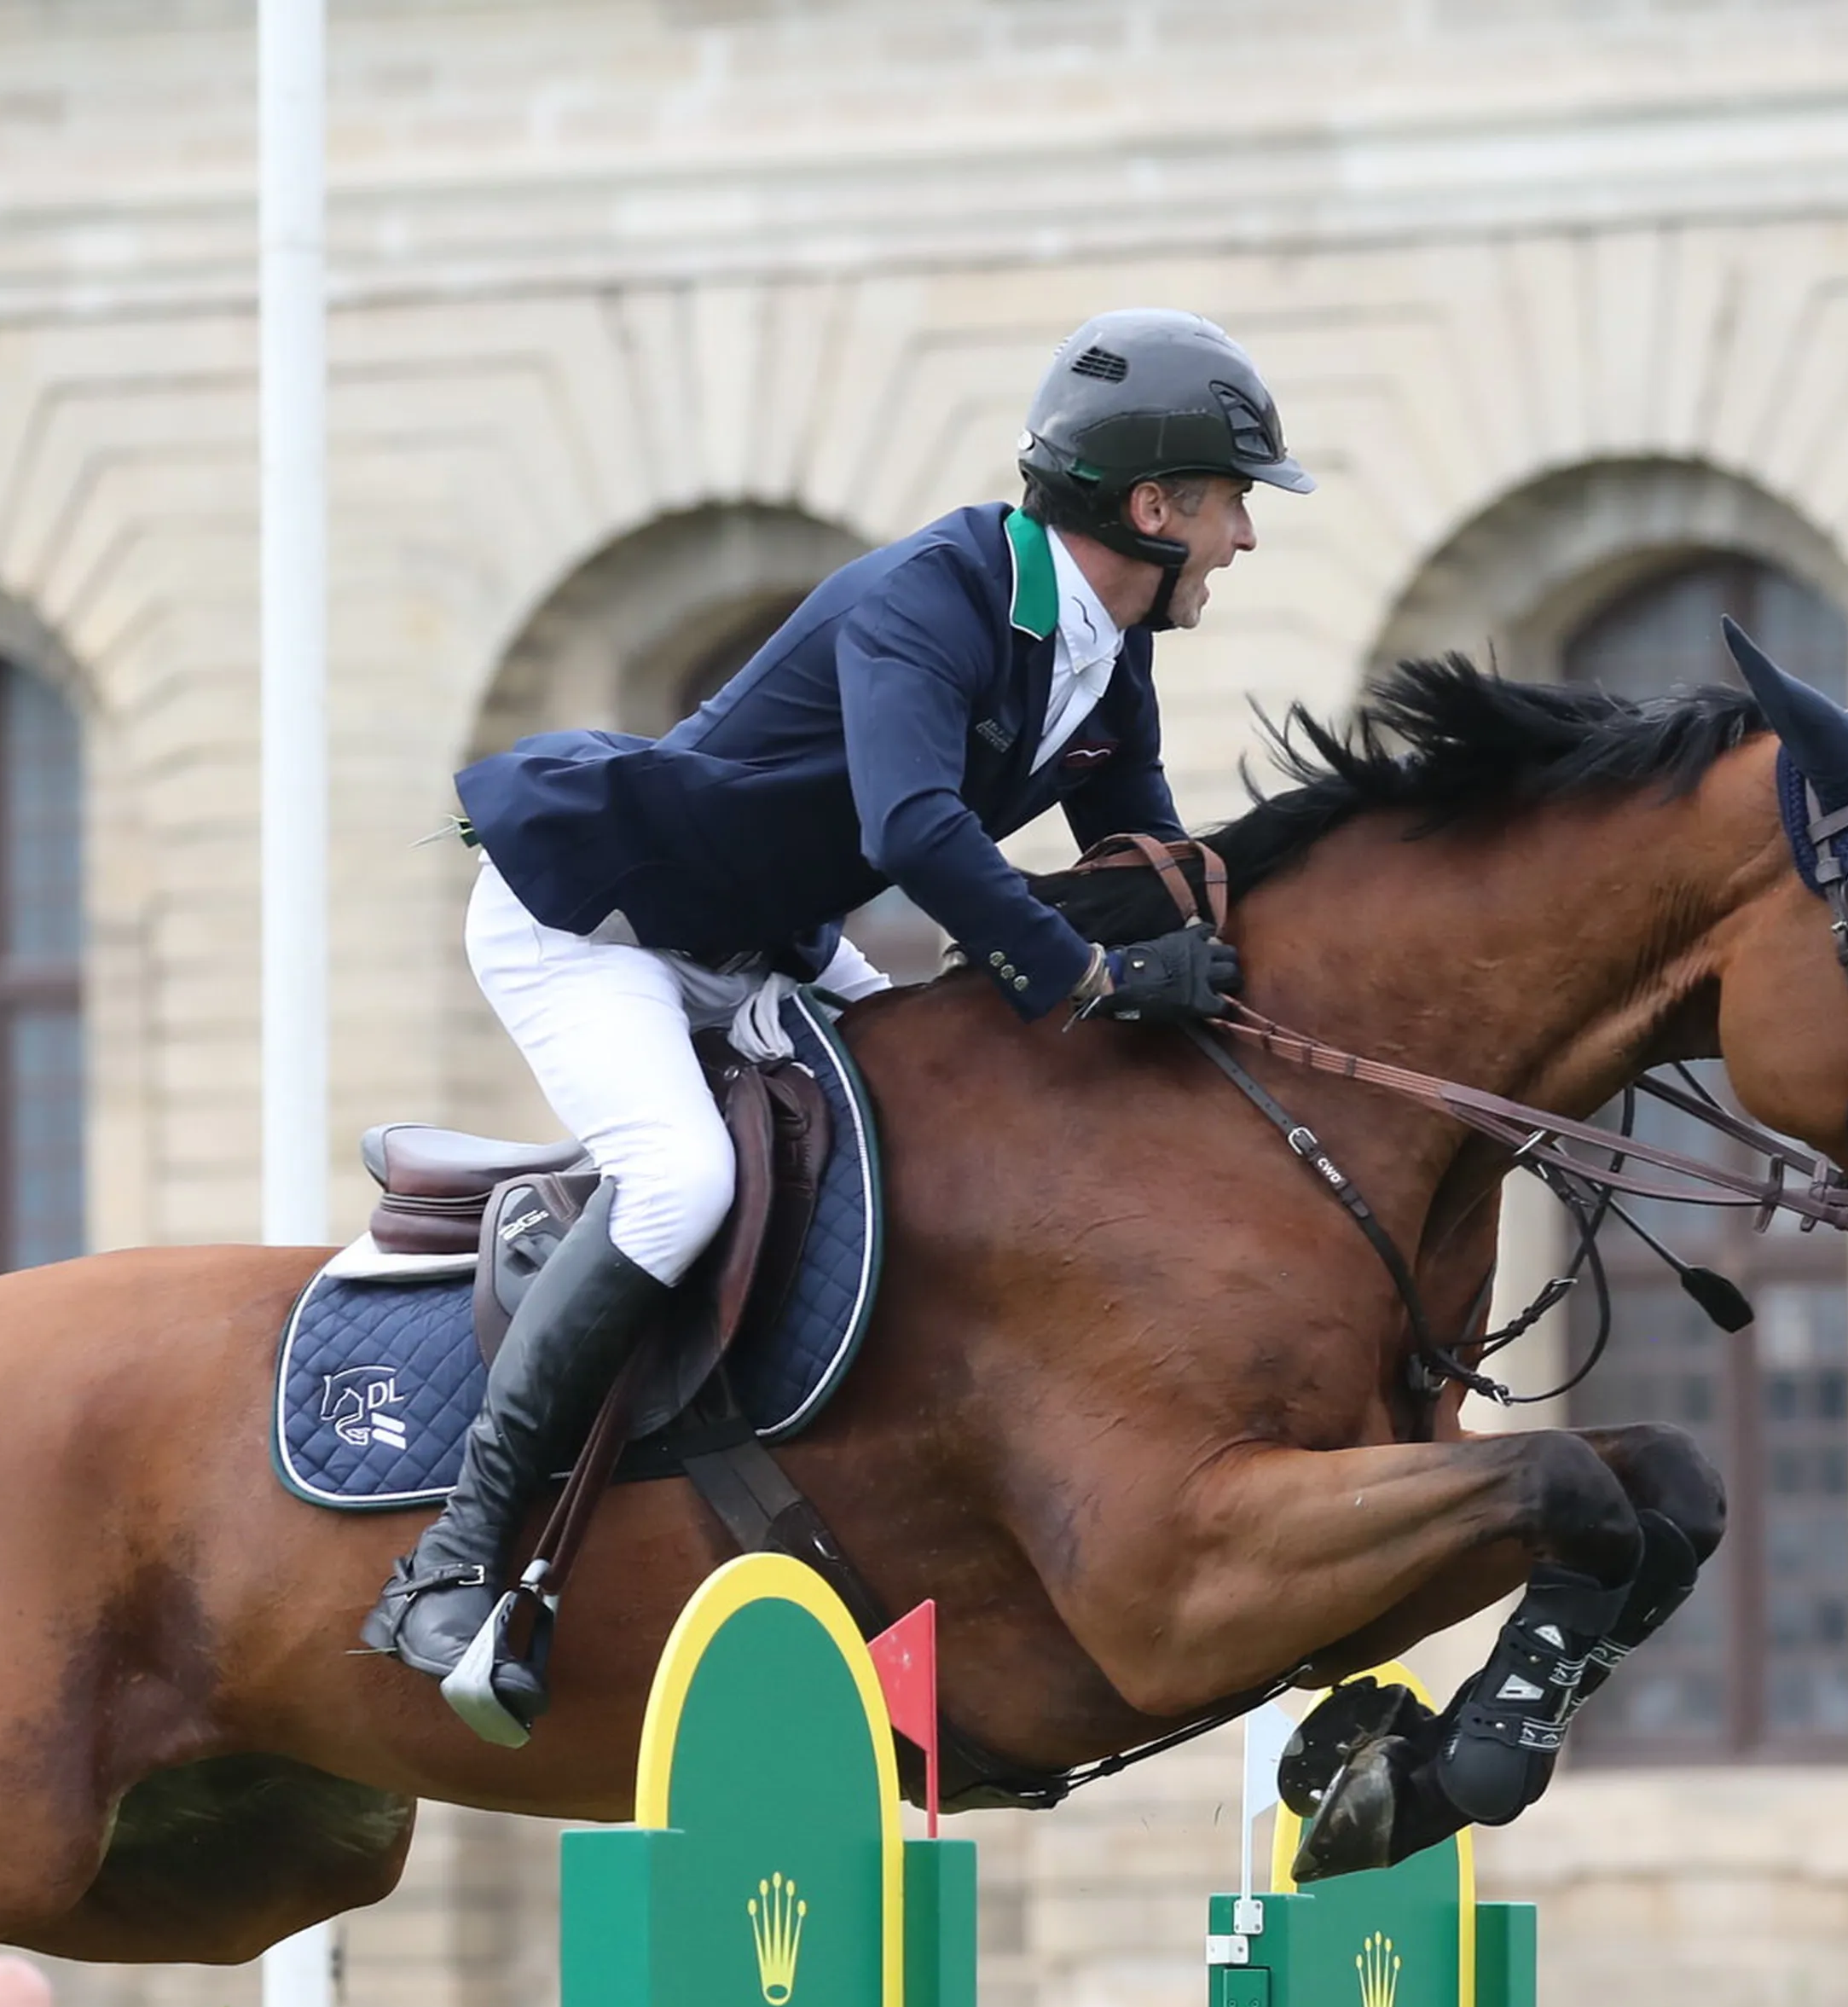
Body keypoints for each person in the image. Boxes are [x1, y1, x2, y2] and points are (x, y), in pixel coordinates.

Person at [370, 307, 1312, 1738]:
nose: (1246, 539)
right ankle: (450, 1561)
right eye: (1237, 503)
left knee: (932, 1111)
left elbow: (1139, 851)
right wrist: (1088, 986)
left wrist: (1230, 970)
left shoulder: (1106, 648)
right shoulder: (929, 597)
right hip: (598, 923)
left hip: (758, 943)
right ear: (1155, 506)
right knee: (681, 1179)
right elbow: (915, 827)